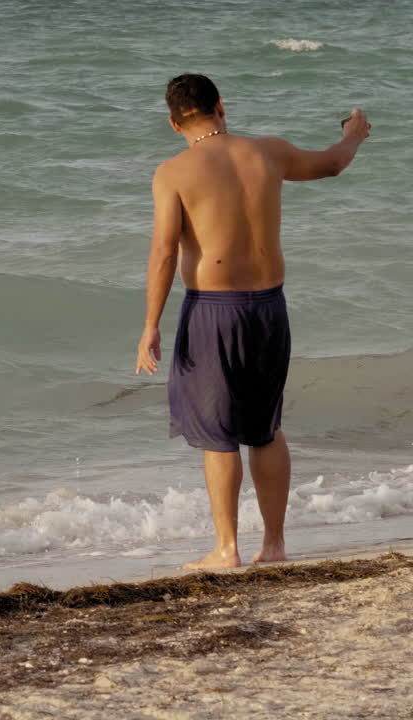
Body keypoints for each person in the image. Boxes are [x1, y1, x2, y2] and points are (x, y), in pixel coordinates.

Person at [134, 73, 370, 569]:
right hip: (269, 306)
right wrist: (354, 133)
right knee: (265, 428)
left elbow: (163, 251)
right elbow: (332, 164)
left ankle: (227, 549)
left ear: (174, 123)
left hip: (213, 311)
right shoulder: (268, 152)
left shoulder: (173, 172)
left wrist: (150, 324)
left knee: (219, 435)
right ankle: (276, 545)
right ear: (222, 106)